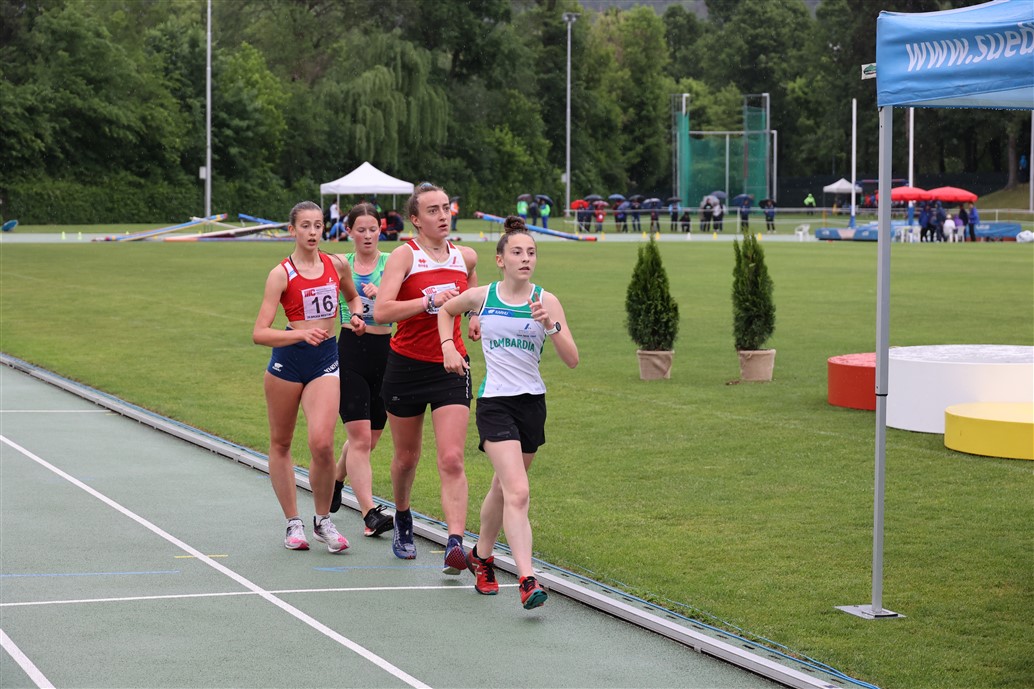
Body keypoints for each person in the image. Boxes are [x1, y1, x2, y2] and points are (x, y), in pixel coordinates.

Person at [437, 215, 579, 610]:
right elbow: (445, 310)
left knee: (503, 488)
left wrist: (550, 325)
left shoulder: (546, 301)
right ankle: (527, 579)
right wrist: (448, 346)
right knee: (518, 491)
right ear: (501, 259)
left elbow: (572, 359)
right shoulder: (483, 297)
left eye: (531, 252)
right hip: (495, 403)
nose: (526, 258)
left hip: (532, 404)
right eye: (517, 252)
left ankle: (480, 557)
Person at [373, 182, 479, 573]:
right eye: (432, 210)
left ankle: (455, 543)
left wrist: (475, 316)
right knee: (406, 458)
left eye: (446, 208)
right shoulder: (405, 256)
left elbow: (471, 289)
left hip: (451, 365)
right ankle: (403, 517)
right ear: (415, 220)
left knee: (451, 457)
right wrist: (428, 301)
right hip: (406, 366)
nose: (442, 215)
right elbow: (381, 312)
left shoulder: (465, 256)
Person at [252, 201, 366, 553]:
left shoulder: (337, 264)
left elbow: (353, 298)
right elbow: (260, 332)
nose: (313, 232)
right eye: (305, 226)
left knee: (322, 443)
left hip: (325, 360)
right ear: (292, 230)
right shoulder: (281, 274)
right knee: (281, 443)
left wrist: (355, 316)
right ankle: (293, 522)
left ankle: (323, 520)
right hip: (288, 362)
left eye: (318, 225)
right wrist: (300, 334)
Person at [327, 203, 395, 538]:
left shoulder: (392, 263)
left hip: (386, 352)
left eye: (373, 229)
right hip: (351, 350)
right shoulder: (341, 263)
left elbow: (405, 302)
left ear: (380, 229)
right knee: (360, 437)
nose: (367, 236)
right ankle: (369, 513)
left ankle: (335, 480)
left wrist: (383, 295)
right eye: (361, 230)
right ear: (349, 231)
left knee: (369, 440)